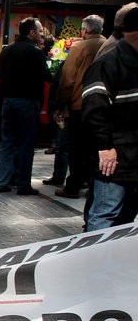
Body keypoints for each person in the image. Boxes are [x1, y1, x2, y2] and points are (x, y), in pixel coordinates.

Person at [82, 5, 138, 230]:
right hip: (114, 157)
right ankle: (96, 253)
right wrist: (105, 147)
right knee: (106, 213)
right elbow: (94, 110)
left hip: (130, 156)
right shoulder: (109, 62)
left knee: (125, 218)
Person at [0, 18, 51, 195]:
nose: (41, 35)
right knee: (26, 143)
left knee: (7, 142)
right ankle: (22, 183)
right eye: (39, 31)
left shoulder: (7, 50)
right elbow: (47, 76)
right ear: (32, 32)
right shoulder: (35, 52)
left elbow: (0, 74)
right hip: (28, 101)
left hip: (8, 100)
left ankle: (2, 181)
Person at [51, 14, 106, 200]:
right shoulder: (108, 45)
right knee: (94, 148)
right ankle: (92, 184)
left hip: (79, 103)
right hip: (103, 104)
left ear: (84, 30)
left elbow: (68, 78)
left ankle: (74, 185)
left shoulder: (79, 47)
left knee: (76, 148)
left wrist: (60, 104)